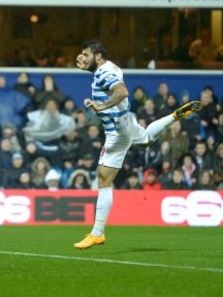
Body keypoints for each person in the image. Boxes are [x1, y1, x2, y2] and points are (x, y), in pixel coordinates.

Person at [72, 40, 204, 249]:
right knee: (145, 140)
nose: (82, 58)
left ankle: (97, 233)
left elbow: (122, 92)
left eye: (86, 55)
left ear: (98, 56)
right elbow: (108, 86)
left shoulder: (106, 73)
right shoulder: (107, 68)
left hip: (116, 131)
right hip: (127, 121)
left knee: (103, 179)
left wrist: (100, 106)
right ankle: (173, 116)